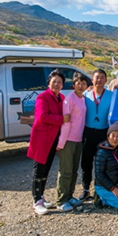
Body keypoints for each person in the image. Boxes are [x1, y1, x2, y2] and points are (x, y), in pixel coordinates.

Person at [27, 69, 66, 215]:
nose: (57, 84)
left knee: (46, 169)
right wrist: (62, 120)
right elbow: (43, 116)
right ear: (49, 82)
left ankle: (41, 197)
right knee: (39, 170)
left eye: (60, 82)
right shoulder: (42, 98)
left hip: (53, 139)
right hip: (42, 139)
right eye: (54, 81)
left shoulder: (61, 97)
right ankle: (36, 200)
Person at [56, 71, 89, 212]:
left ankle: (69, 196)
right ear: (73, 84)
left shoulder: (82, 98)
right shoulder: (69, 99)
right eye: (78, 83)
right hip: (68, 140)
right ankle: (61, 199)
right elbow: (66, 121)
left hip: (78, 139)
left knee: (74, 170)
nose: (81, 86)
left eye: (83, 83)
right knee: (66, 171)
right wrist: (61, 143)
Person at [79, 69, 113, 201]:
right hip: (88, 133)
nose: (99, 80)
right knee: (86, 162)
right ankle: (86, 189)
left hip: (103, 133)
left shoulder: (111, 95)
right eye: (96, 78)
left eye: (102, 78)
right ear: (92, 80)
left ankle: (101, 189)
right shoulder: (85, 95)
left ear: (105, 80)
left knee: (103, 163)